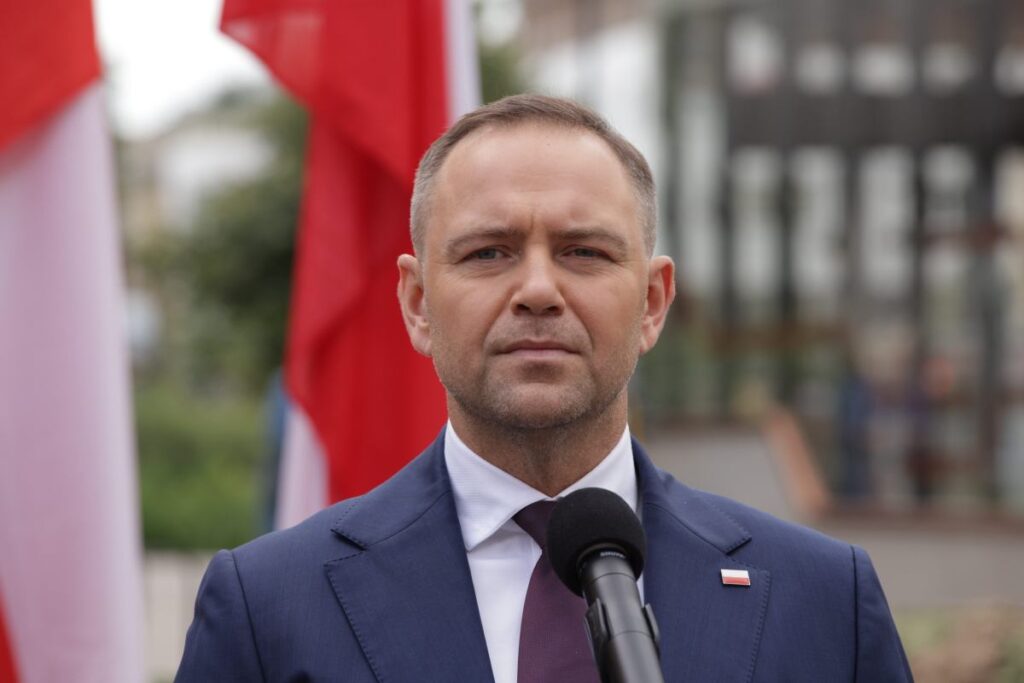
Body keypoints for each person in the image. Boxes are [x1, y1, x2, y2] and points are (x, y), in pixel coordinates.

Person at [176, 94, 912, 682]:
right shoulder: (268, 608)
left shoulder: (823, 599)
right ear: (419, 304)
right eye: (488, 252)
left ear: (652, 303)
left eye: (583, 252)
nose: (537, 290)